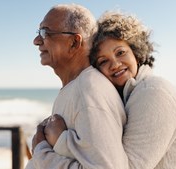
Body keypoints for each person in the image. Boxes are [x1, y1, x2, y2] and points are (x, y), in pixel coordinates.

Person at [43, 11, 176, 168]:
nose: (115, 64)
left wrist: (61, 141)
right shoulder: (130, 95)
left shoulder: (153, 93)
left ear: (136, 53)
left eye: (120, 52)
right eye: (103, 61)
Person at [25, 4, 129, 169]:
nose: (36, 41)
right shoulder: (78, 87)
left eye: (45, 33)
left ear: (74, 42)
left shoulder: (89, 91)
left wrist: (41, 151)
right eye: (38, 33)